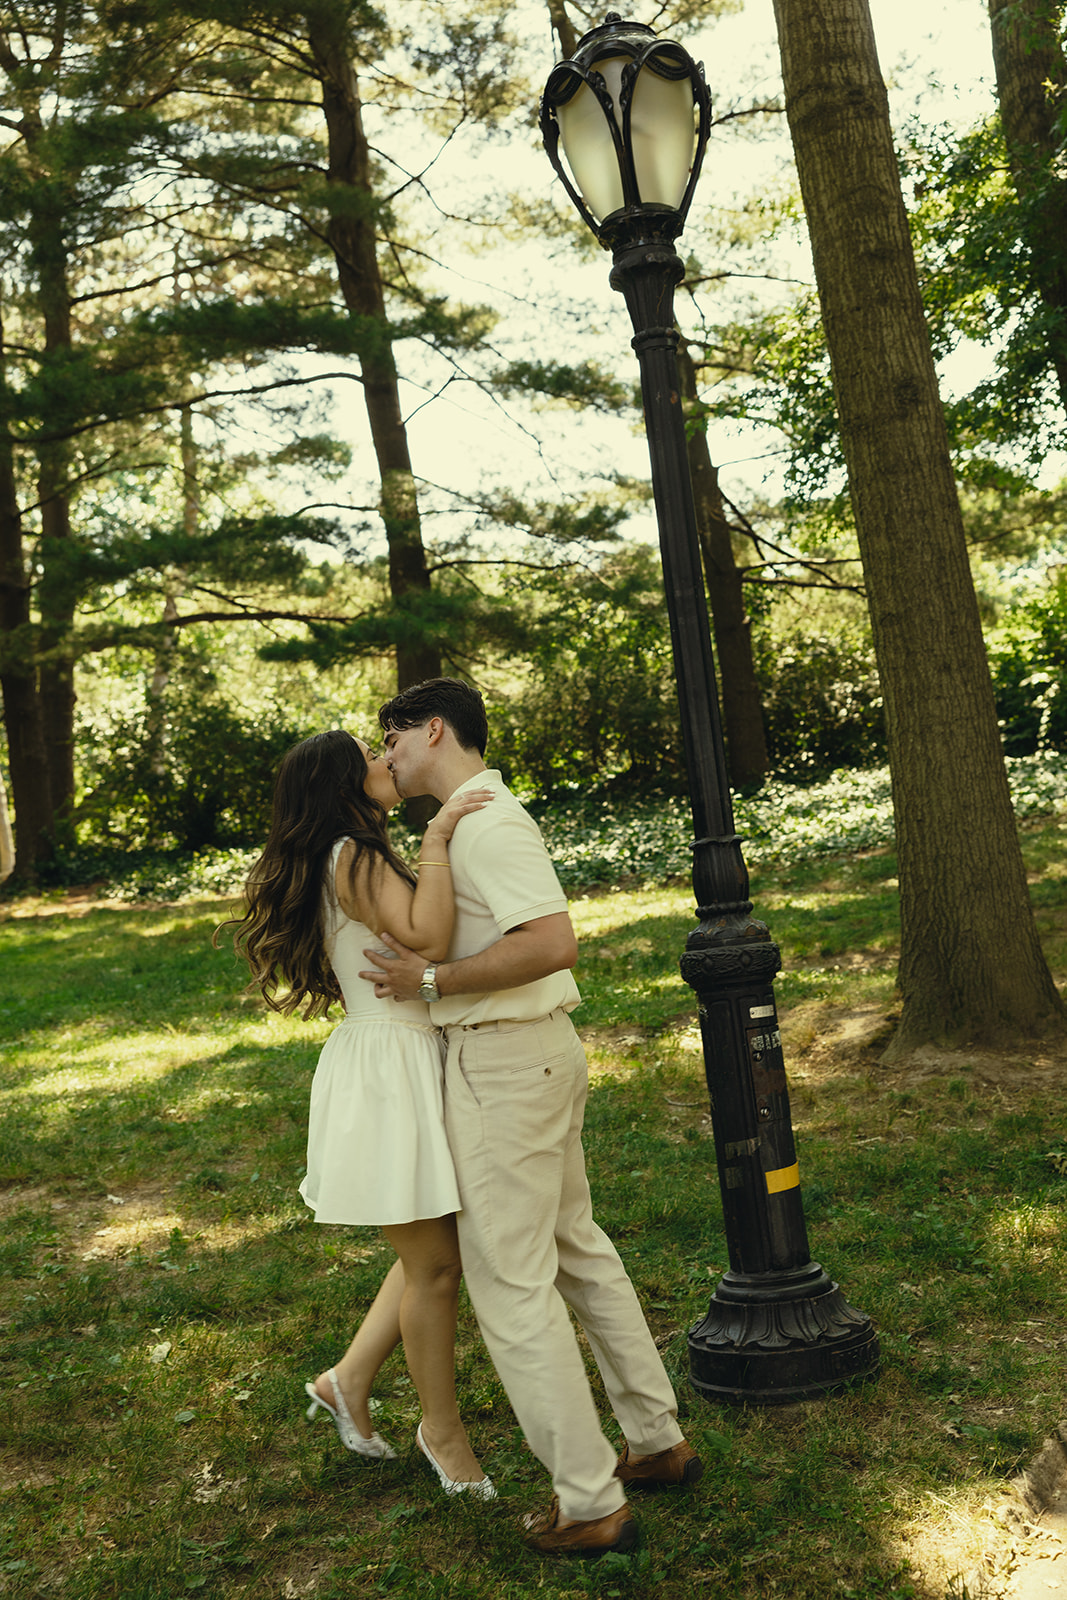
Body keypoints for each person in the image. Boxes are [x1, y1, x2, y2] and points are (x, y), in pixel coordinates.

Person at [358, 679, 702, 1558]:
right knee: (576, 1253)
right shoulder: (469, 821)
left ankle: (589, 1501)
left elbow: (551, 942)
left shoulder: (486, 823)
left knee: (510, 1285)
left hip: (506, 1065)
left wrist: (431, 983)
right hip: (530, 1055)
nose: (386, 756)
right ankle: (654, 1441)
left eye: (390, 739)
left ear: (431, 730)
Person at [217, 728, 495, 1499]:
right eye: (369, 758)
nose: (384, 763)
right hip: (389, 1066)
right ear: (345, 784)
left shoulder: (332, 856)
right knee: (436, 1267)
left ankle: (347, 1379)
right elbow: (429, 938)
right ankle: (441, 1433)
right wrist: (438, 833)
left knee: (430, 1251)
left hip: (387, 1057)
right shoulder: (356, 855)